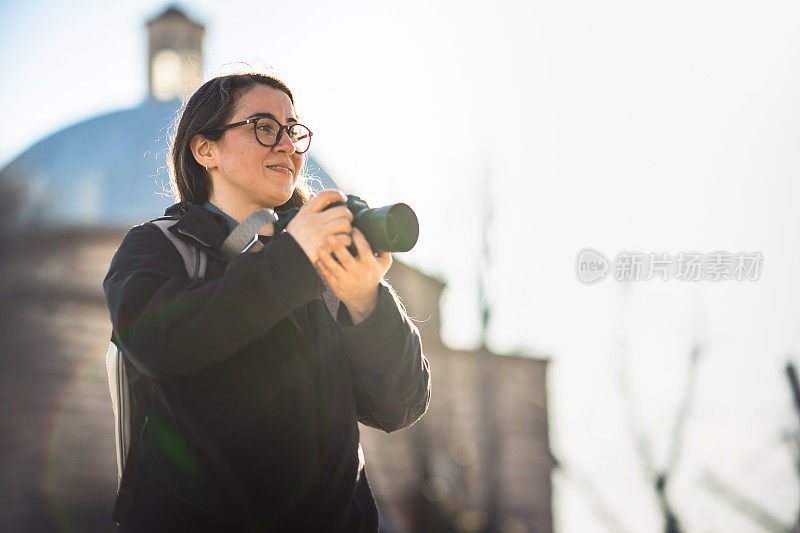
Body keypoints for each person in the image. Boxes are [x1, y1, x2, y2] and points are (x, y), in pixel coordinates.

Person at [103, 72, 431, 532]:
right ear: (205, 150)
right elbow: (159, 342)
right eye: (263, 126)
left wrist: (366, 302)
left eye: (294, 130)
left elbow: (400, 405)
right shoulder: (156, 249)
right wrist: (294, 258)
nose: (287, 145)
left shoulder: (318, 266)